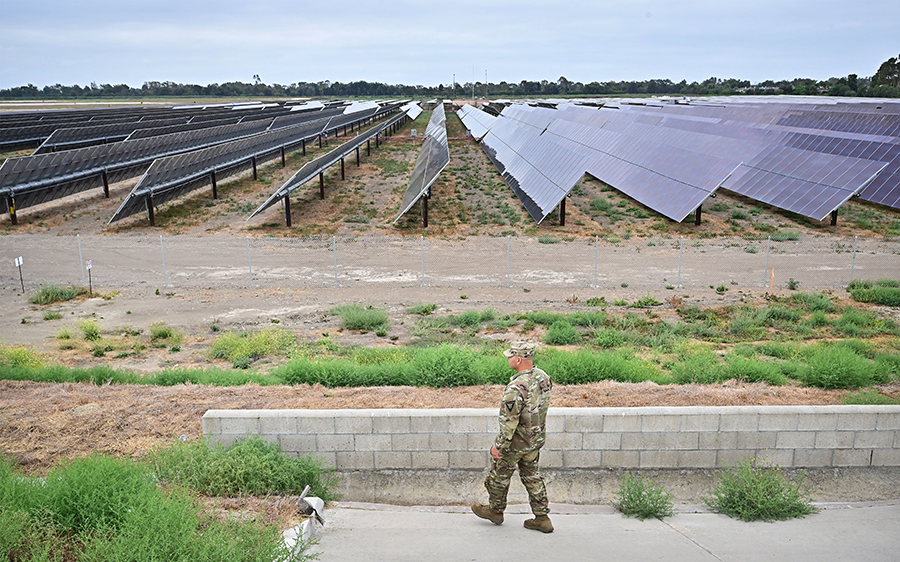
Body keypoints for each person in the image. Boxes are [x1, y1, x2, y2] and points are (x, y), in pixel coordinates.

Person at [472, 341, 554, 533]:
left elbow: (509, 423)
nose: (507, 358)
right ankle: (542, 517)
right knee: (532, 477)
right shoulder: (543, 377)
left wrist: (498, 447)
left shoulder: (516, 388)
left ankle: (495, 511)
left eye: (510, 356)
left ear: (518, 359)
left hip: (514, 444)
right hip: (534, 441)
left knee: (499, 477)